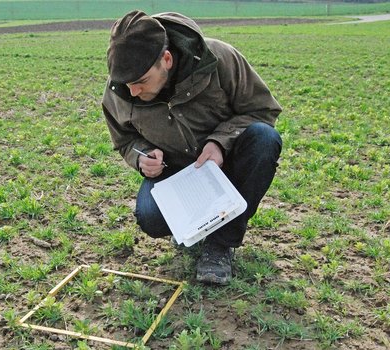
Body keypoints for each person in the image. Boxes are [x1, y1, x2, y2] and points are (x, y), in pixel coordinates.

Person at [102, 10, 282, 285]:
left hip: (226, 165)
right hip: (174, 173)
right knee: (150, 217)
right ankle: (191, 226)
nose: (133, 92)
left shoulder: (219, 59)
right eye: (127, 84)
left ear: (167, 59)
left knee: (264, 139)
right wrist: (142, 157)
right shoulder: (119, 90)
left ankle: (221, 244)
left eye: (140, 82)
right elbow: (125, 140)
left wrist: (219, 143)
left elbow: (262, 110)